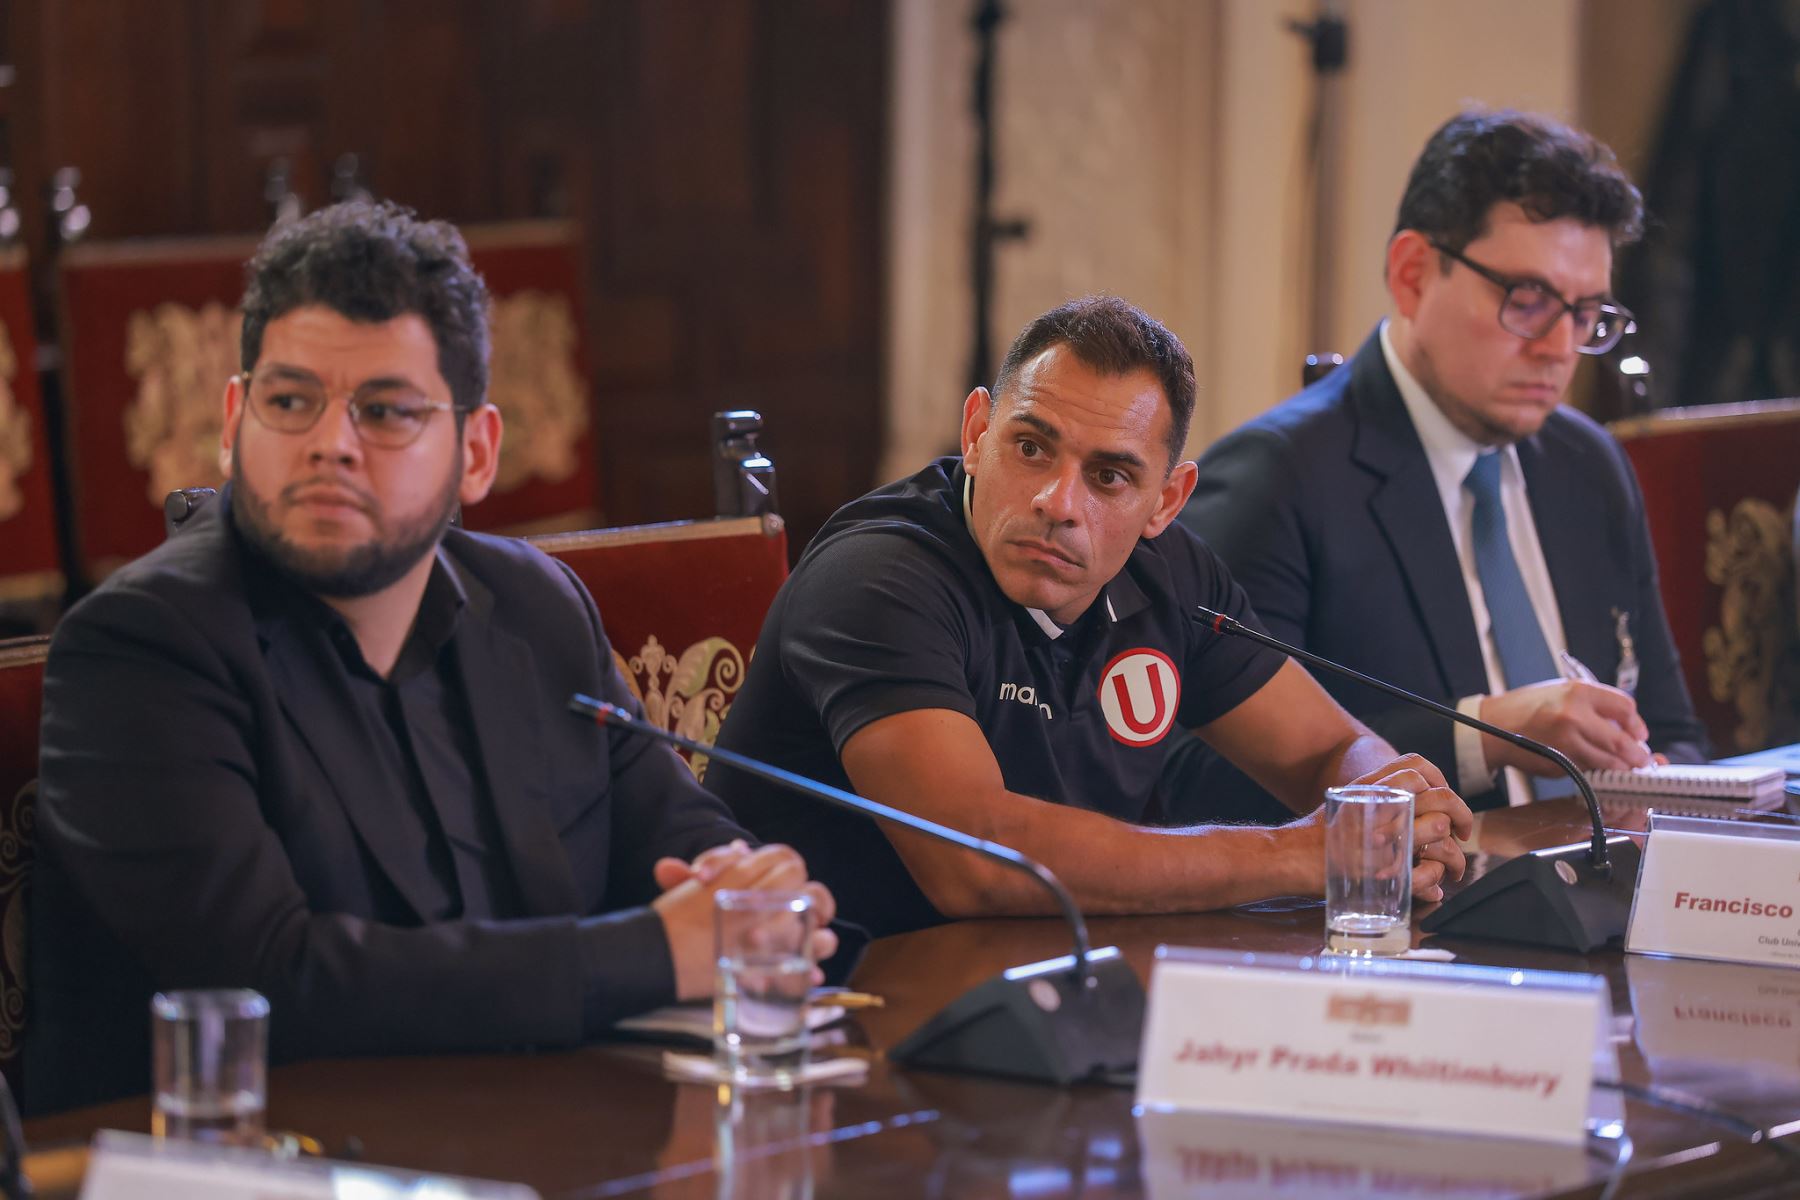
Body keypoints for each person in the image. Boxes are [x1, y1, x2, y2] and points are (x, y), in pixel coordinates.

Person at [28, 201, 836, 1113]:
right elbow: (276, 983)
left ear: (476, 452)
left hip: (549, 1130)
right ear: (231, 421)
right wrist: (660, 952)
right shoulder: (141, 648)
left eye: (385, 411)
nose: (330, 445)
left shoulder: (534, 607)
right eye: (289, 402)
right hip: (255, 1152)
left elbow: (676, 835)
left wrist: (747, 894)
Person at [707, 296, 1472, 940]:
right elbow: (975, 858)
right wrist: (1303, 854)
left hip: (1056, 981)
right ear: (976, 434)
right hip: (836, 1001)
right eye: (1031, 448)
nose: (1058, 503)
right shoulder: (878, 578)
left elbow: (1330, 748)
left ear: (1165, 502)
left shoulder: (1173, 576)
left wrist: (1387, 811)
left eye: (1109, 476)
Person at [1174, 109, 1706, 818]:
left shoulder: (1589, 465)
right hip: (1426, 884)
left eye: (1586, 314)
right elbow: (1194, 776)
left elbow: (1673, 730)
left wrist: (1659, 776)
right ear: (1413, 275)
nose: (1559, 349)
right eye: (1528, 300)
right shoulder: (1276, 478)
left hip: (1607, 870)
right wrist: (1485, 732)